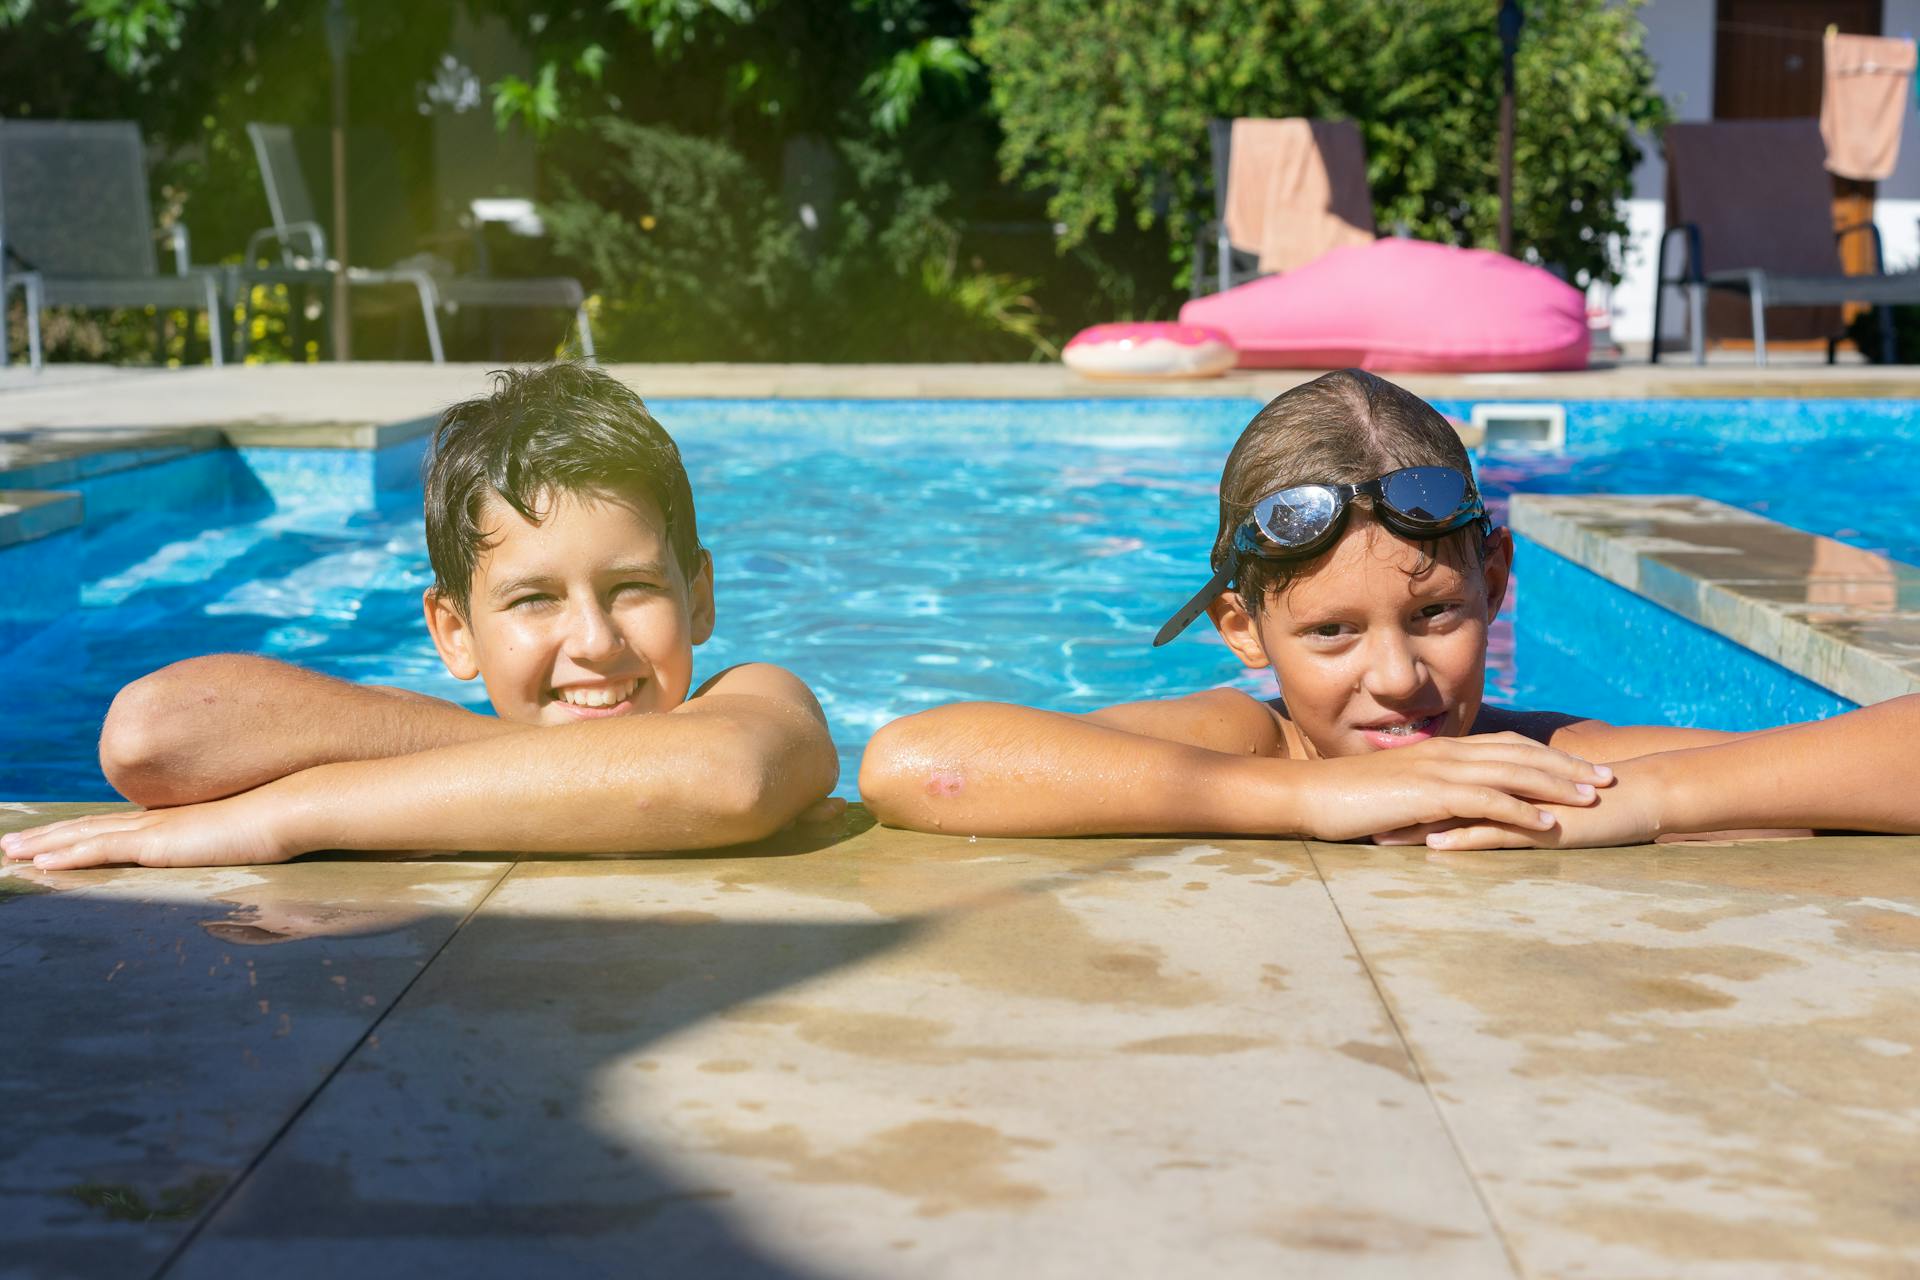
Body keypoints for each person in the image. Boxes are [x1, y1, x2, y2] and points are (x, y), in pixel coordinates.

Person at [859, 368, 1920, 849]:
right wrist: (1310, 804)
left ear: (1496, 585)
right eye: (1330, 630)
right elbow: (914, 762)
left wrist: (1652, 802)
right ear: (1243, 628)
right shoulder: (1252, 745)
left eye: (1437, 614)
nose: (1399, 675)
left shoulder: (1531, 757)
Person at [2, 364, 840, 870]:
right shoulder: (450, 734)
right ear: (453, 633)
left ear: (700, 597)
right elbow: (149, 736)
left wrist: (287, 814)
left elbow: (726, 778)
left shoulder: (753, 697)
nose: (594, 639)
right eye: (535, 598)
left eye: (632, 589)